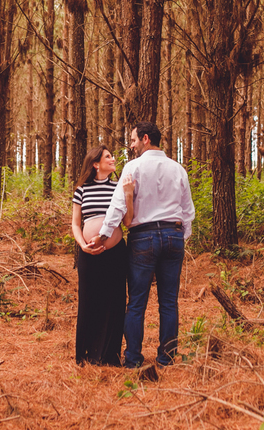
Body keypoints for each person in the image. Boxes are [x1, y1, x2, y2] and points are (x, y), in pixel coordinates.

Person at [91, 122, 194, 368]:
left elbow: (117, 207)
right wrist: (181, 238)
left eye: (134, 140)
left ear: (146, 139)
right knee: (169, 301)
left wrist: (103, 236)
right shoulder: (178, 169)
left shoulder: (133, 167)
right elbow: (187, 211)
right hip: (173, 235)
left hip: (143, 238)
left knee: (137, 301)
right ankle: (166, 359)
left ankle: (134, 359)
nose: (132, 145)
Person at [70, 145, 133, 366]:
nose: (113, 159)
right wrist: (82, 245)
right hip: (88, 253)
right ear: (96, 164)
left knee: (115, 301)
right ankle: (87, 354)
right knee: (89, 300)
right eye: (108, 156)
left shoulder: (118, 187)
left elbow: (127, 222)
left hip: (115, 253)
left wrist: (129, 195)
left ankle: (109, 356)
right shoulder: (82, 190)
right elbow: (76, 224)